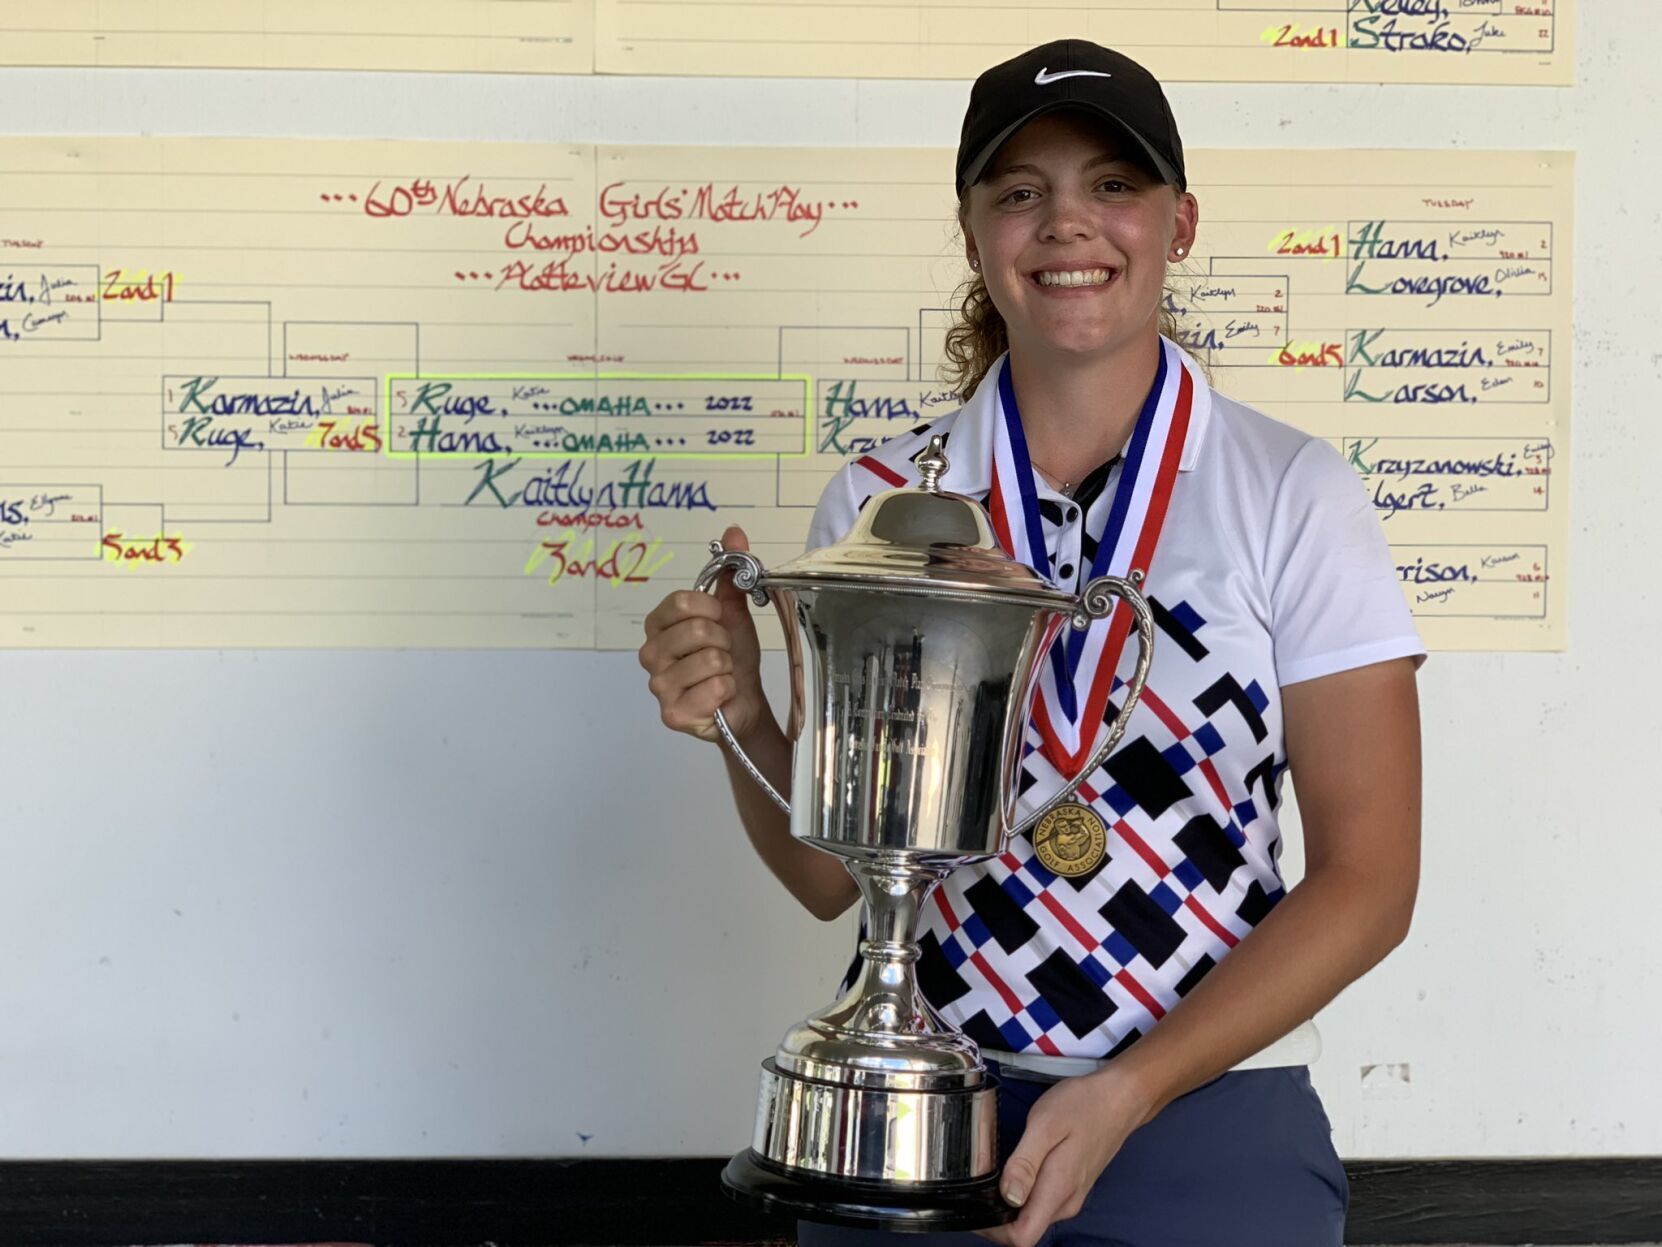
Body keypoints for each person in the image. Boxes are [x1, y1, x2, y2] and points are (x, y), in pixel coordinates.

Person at [639, 38, 1423, 1247]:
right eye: (1021, 192)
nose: (1069, 225)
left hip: (1209, 1119)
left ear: (1180, 220)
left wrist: (1127, 1089)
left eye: (1113, 184)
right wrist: (740, 713)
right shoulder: (883, 501)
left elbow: (1369, 883)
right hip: (913, 1112)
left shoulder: (1290, 494)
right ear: (971, 233)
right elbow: (835, 876)